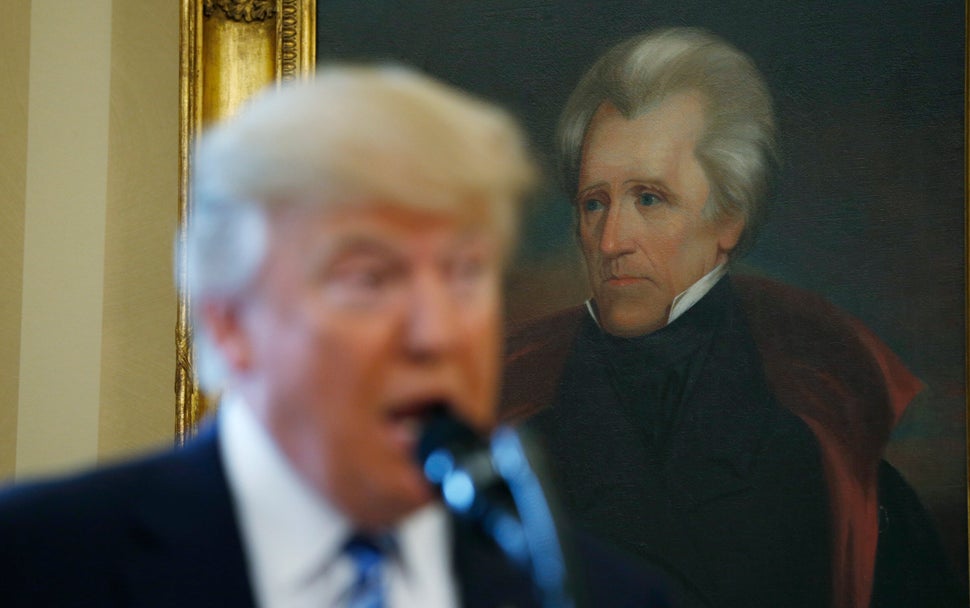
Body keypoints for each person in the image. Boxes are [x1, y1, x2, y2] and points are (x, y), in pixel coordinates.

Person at [0, 66, 672, 607]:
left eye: (464, 275)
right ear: (232, 322)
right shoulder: (35, 563)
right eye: (370, 279)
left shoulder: (599, 594)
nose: (437, 332)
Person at [501, 28, 961, 608]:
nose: (612, 239)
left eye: (649, 198)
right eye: (595, 203)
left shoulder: (826, 458)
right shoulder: (506, 431)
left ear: (730, 219)